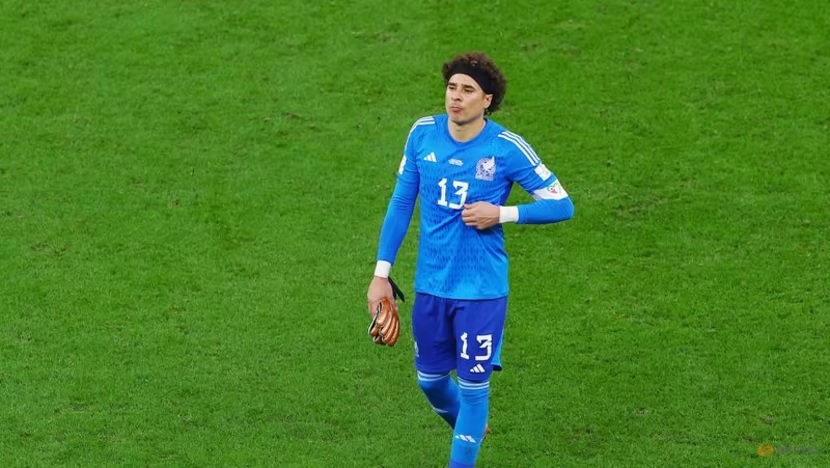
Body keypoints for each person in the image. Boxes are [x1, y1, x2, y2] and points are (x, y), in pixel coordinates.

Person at [367, 51, 574, 467]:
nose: (456, 98)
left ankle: (463, 452)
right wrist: (381, 274)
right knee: (430, 380)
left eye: (467, 90)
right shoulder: (422, 134)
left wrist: (503, 213)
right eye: (451, 88)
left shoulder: (505, 148)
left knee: (475, 387)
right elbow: (401, 202)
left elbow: (562, 204)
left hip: (481, 290)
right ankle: (469, 426)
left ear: (488, 100)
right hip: (431, 285)